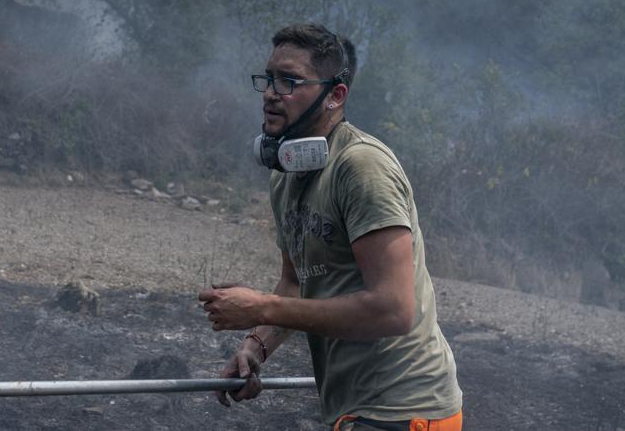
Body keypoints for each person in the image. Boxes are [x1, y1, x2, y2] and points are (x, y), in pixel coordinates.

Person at [198, 23, 463, 430]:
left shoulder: (361, 167)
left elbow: (394, 309)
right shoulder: (285, 175)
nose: (271, 92)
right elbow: (295, 282)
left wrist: (260, 305)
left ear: (335, 96)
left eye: (289, 81)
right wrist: (256, 345)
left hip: (404, 409)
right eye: (269, 79)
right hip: (356, 410)